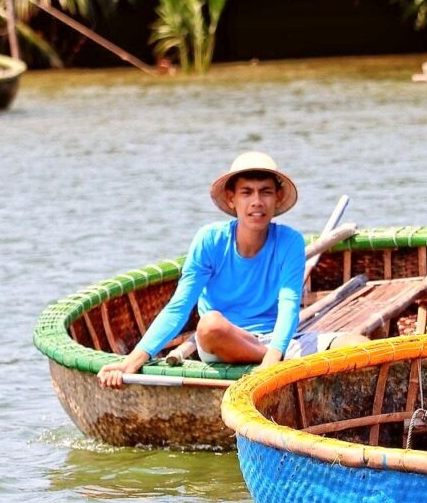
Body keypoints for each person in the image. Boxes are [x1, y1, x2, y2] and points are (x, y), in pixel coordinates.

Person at [98, 151, 367, 388]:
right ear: (231, 199)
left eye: (266, 192)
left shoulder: (290, 242)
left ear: (277, 198)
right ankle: (277, 358)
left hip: (275, 342)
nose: (257, 202)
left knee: (358, 345)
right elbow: (179, 307)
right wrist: (134, 360)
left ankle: (275, 356)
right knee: (210, 325)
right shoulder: (210, 240)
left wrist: (273, 357)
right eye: (246, 193)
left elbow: (289, 306)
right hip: (221, 342)